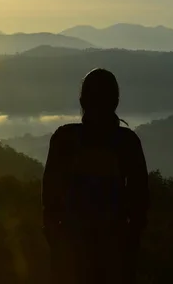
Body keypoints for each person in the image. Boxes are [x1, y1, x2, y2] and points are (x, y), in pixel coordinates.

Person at [42, 68, 149, 284]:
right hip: (114, 253)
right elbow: (139, 203)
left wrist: (58, 243)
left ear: (82, 100)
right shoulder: (127, 143)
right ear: (116, 101)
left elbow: (49, 200)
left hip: (71, 252)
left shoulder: (64, 139)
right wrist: (128, 250)